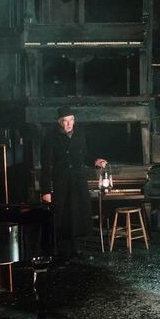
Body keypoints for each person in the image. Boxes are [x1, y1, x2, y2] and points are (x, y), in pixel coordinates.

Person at [41, 106, 107, 260]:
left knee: (77, 215)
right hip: (61, 183)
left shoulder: (79, 135)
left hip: (78, 182)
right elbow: (46, 166)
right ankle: (62, 253)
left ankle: (76, 249)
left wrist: (95, 161)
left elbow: (84, 156)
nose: (69, 124)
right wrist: (46, 191)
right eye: (65, 121)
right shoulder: (50, 138)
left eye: (71, 120)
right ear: (59, 122)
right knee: (62, 217)